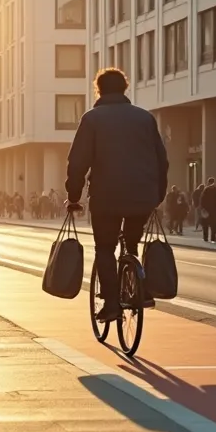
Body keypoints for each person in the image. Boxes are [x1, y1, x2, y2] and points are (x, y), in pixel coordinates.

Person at [64, 68, 169, 323]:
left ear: (98, 90)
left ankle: (111, 304)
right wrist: (157, 195)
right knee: (131, 242)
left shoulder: (92, 119)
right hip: (143, 196)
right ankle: (139, 288)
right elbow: (162, 160)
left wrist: (74, 196)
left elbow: (78, 162)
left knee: (105, 248)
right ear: (125, 88)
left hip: (106, 198)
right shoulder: (145, 118)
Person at [200, 178, 216, 243]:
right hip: (215, 210)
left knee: (205, 225)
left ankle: (205, 238)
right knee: (215, 224)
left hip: (207, 209)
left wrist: (203, 208)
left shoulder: (206, 190)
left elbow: (202, 200)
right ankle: (214, 238)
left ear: (208, 182)